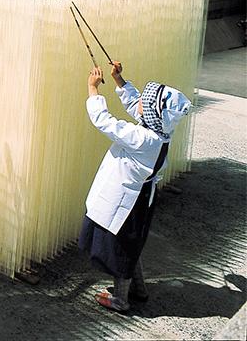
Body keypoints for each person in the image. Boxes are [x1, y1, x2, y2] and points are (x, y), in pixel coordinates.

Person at [78, 61, 192, 312]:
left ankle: (120, 299)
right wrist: (119, 80)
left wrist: (93, 90)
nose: (139, 102)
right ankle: (138, 289)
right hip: (140, 201)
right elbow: (138, 105)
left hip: (127, 204)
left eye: (145, 102)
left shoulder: (143, 138)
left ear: (152, 113)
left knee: (121, 248)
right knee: (132, 244)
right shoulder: (160, 131)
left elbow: (105, 122)